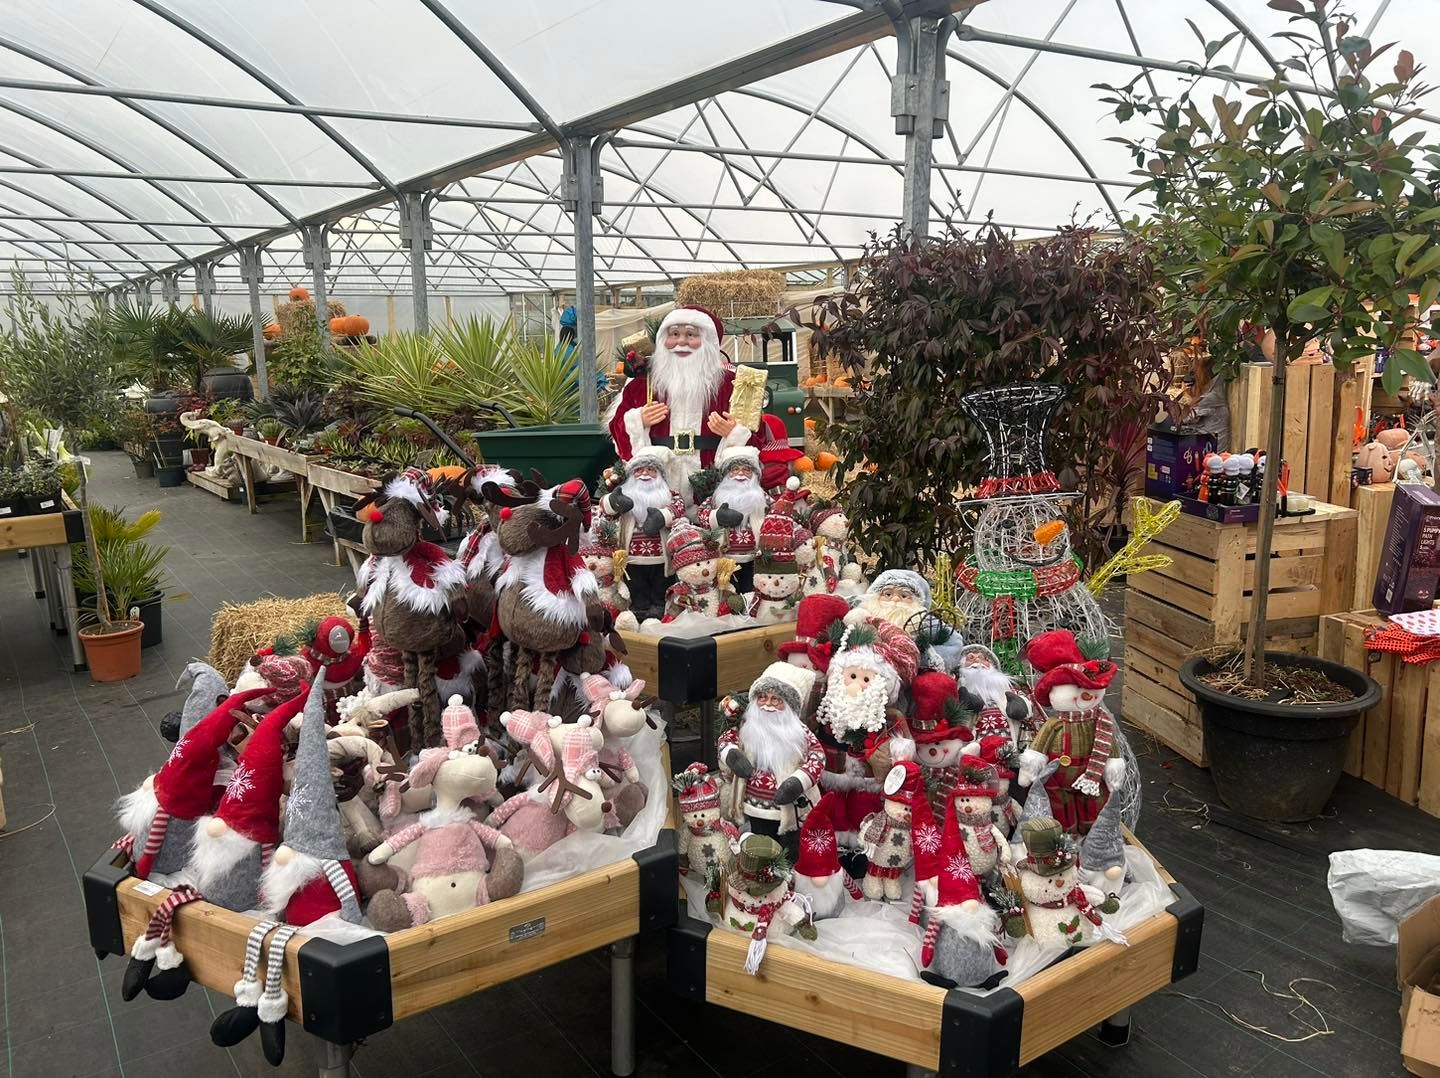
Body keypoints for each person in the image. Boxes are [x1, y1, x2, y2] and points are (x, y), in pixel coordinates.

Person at [606, 306, 763, 493]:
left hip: (713, 487)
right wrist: (638, 420)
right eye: (673, 334)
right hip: (656, 489)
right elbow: (617, 429)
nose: (681, 341)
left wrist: (734, 432)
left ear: (708, 342)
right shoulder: (642, 386)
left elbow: (758, 439)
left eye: (690, 335)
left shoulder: (734, 385)